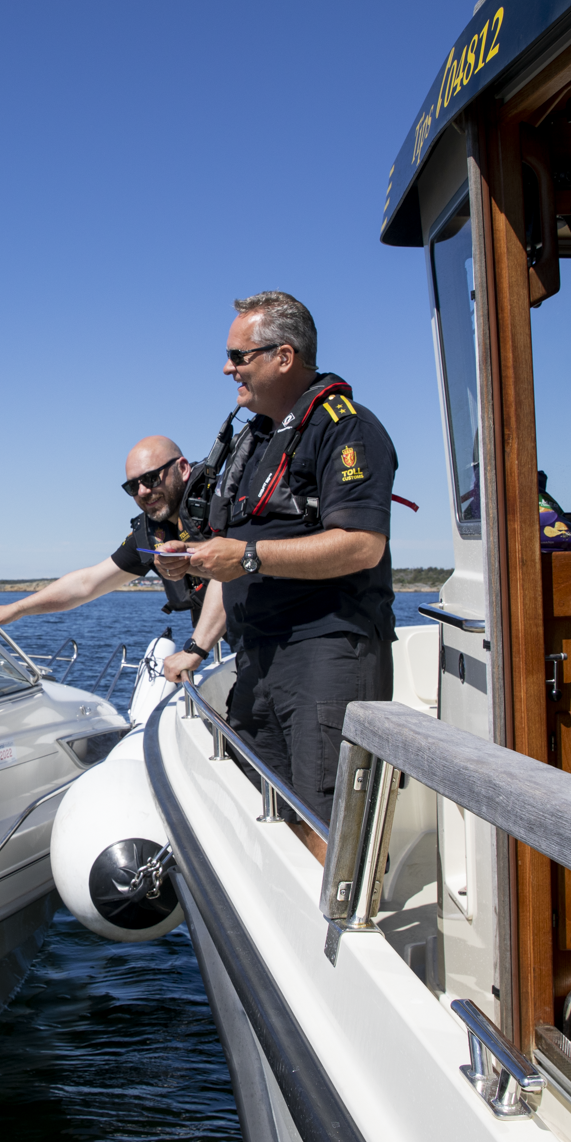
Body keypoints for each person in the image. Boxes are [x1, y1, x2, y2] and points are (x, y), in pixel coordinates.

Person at [156, 291, 397, 820]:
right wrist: (198, 640)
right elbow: (237, 560)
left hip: (325, 654)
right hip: (258, 657)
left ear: (283, 357)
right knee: (258, 810)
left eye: (239, 356)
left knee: (321, 817)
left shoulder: (346, 427)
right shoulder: (257, 441)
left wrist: (245, 557)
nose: (228, 368)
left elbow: (362, 543)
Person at [0, 436, 227, 684]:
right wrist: (15, 610)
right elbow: (86, 584)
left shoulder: (225, 504)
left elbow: (233, 573)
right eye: (132, 487)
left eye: (151, 479)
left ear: (182, 469)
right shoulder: (150, 535)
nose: (143, 492)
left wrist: (195, 649)